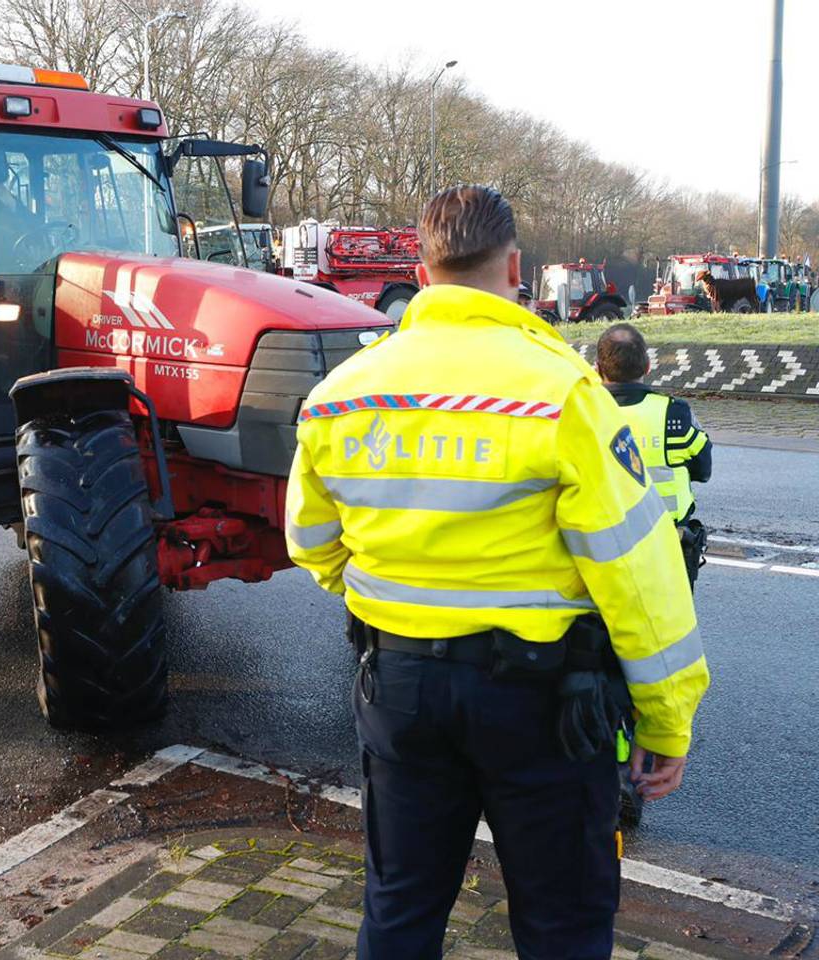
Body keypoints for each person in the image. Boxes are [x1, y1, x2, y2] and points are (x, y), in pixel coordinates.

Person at [286, 185, 709, 959]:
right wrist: (665, 716)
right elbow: (640, 580)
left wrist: (398, 605)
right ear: (515, 266)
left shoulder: (338, 397)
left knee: (400, 910)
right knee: (561, 926)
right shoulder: (564, 395)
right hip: (544, 706)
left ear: (421, 266)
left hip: (400, 689)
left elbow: (311, 544)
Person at [595, 323, 712, 586]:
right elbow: (704, 470)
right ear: (648, 366)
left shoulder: (583, 413)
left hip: (603, 547)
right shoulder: (675, 415)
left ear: (597, 369)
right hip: (670, 545)